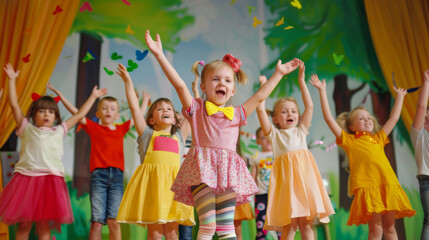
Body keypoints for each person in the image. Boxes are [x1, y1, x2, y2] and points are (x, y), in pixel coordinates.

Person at [145, 29, 301, 239]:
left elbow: (261, 94)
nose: (222, 84)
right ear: (203, 87)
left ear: (233, 90)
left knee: (227, 228)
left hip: (228, 172)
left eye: (228, 81)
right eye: (216, 79)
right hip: (202, 170)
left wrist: (279, 74)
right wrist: (160, 55)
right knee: (208, 227)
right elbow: (180, 85)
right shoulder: (197, 108)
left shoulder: (237, 113)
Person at [0, 63, 107, 240]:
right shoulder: (26, 127)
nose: (46, 115)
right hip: (27, 180)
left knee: (44, 225)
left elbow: (80, 115)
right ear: (34, 115)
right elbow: (13, 104)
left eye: (50, 112)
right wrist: (11, 80)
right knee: (24, 224)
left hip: (50, 182)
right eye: (41, 111)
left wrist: (93, 96)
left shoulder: (60, 130)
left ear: (56, 117)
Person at [310, 73, 416, 239]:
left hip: (387, 185)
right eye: (361, 118)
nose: (367, 120)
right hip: (368, 188)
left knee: (390, 228)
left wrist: (401, 96)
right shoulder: (349, 140)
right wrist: (322, 91)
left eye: (369, 118)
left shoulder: (378, 138)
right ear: (351, 126)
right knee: (376, 229)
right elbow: (329, 119)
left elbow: (394, 118)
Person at [46, 83, 140, 240]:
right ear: (98, 113)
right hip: (99, 176)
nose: (108, 111)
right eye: (104, 108)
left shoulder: (121, 128)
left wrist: (143, 101)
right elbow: (76, 113)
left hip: (116, 177)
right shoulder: (94, 127)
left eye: (112, 108)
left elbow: (137, 115)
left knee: (113, 221)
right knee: (97, 222)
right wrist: (61, 96)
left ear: (117, 115)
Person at [116, 63, 195, 240]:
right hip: (153, 189)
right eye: (160, 109)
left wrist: (195, 90)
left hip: (174, 190)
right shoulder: (147, 135)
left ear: (175, 119)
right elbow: (135, 108)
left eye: (168, 109)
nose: (165, 110)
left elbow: (192, 110)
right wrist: (128, 81)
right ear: (151, 119)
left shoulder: (180, 137)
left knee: (172, 232)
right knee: (155, 232)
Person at [257, 63, 334, 240]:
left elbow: (310, 107)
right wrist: (263, 85)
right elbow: (261, 109)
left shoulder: (301, 131)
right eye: (284, 112)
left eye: (293, 111)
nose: (289, 114)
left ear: (298, 116)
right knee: (289, 227)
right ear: (275, 119)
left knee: (306, 225)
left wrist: (301, 80)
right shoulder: (274, 135)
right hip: (286, 187)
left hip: (304, 184)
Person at [250, 125, 280, 240]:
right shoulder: (257, 156)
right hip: (261, 195)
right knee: (261, 225)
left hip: (277, 195)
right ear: (258, 141)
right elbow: (253, 174)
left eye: (268, 137)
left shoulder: (278, 154)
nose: (266, 140)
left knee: (280, 225)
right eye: (263, 138)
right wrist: (250, 189)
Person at [411, 70, 429, 239]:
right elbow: (421, 107)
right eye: (424, 118)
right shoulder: (419, 134)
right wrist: (426, 82)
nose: (426, 118)